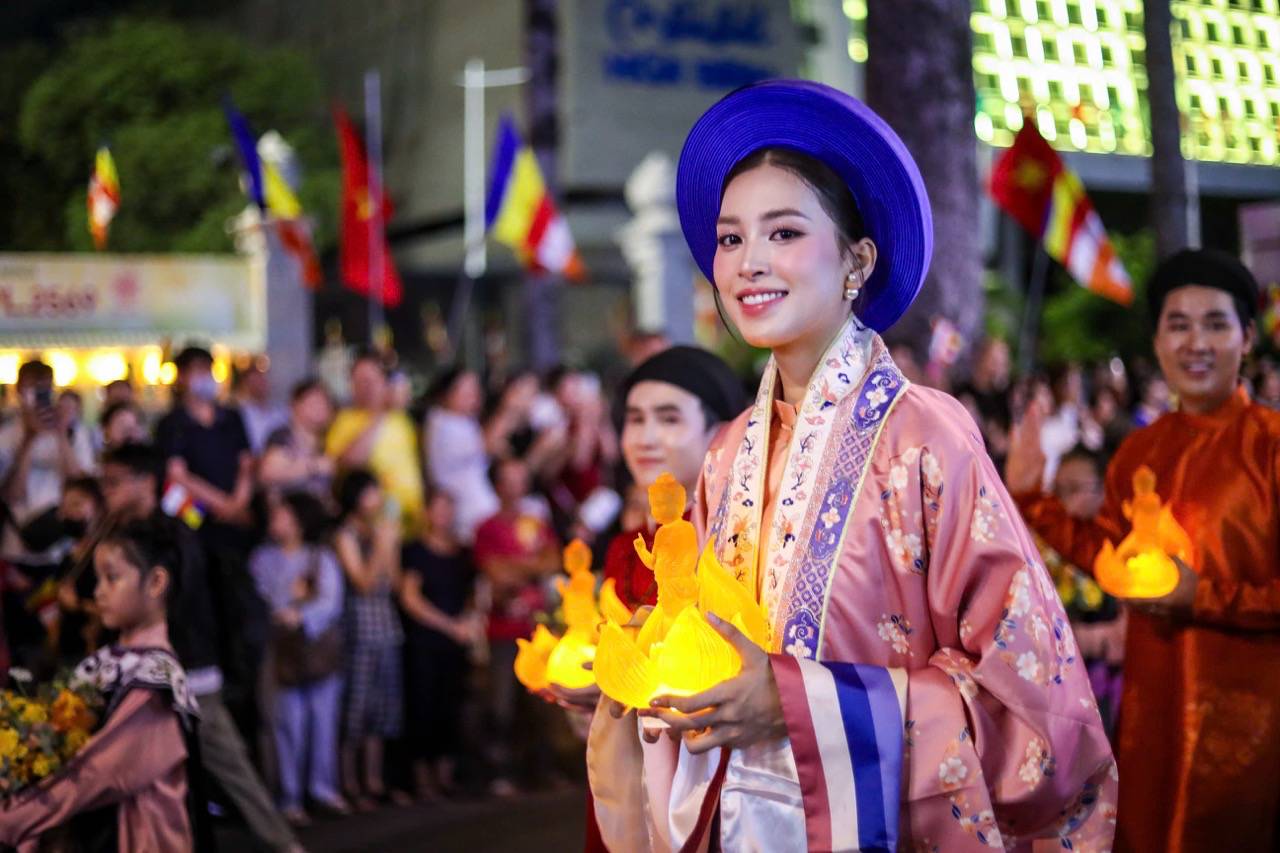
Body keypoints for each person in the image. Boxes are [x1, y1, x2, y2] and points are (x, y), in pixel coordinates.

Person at [587, 81, 1115, 851]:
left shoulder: (926, 438)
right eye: (731, 239)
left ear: (856, 260)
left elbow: (1034, 707)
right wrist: (630, 671)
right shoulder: (728, 451)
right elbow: (699, 637)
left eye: (784, 232)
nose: (749, 262)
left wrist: (797, 703)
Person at [1007, 247, 1280, 852]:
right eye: (1178, 325)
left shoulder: (1270, 446)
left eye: (1215, 324)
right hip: (1151, 713)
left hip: (1252, 724)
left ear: (1248, 339)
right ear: (1158, 342)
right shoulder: (1136, 452)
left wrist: (1199, 595)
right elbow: (1112, 558)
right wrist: (1032, 497)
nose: (1195, 343)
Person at [100, 443, 301, 853]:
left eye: (114, 482)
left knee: (225, 763)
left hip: (184, 666)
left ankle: (284, 843)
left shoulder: (173, 534)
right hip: (144, 666)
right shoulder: (117, 532)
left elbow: (181, 603)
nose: (107, 491)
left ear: (146, 482)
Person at [0, 519, 202, 851]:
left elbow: (98, 773)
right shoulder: (112, 658)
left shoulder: (154, 681)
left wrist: (15, 817)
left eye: (112, 578)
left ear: (155, 582)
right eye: (98, 578)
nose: (98, 591)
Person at [250, 491, 348, 825]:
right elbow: (258, 602)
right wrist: (288, 608)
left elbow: (331, 603)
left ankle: (322, 789)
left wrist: (300, 616)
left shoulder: (321, 557)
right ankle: (287, 796)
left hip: (315, 651)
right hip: (280, 651)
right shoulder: (261, 559)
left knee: (323, 721)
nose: (275, 519)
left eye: (282, 514)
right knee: (283, 724)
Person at [472, 456, 560, 795]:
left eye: (521, 478)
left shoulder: (536, 523)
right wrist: (532, 566)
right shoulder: (487, 528)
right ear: (497, 485)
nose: (517, 486)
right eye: (509, 479)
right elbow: (495, 572)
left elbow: (553, 560)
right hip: (502, 629)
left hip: (535, 626)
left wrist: (517, 567)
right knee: (501, 703)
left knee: (543, 702)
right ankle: (499, 774)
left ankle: (541, 772)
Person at [398, 489, 478, 799]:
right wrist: (448, 625)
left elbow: (473, 591)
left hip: (454, 641)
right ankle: (422, 777)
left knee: (451, 703)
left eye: (449, 507)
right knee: (423, 705)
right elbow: (409, 597)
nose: (444, 514)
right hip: (425, 640)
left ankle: (445, 775)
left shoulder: (461, 553)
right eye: (439, 507)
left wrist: (468, 621)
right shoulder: (416, 551)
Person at [333, 469, 406, 810]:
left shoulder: (380, 531)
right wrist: (382, 543)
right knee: (355, 708)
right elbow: (362, 582)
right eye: (371, 493)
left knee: (382, 707)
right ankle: (348, 782)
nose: (377, 500)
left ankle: (374, 780)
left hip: (386, 625)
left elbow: (390, 581)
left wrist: (389, 544)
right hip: (359, 627)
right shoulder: (345, 534)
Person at [0, 360, 95, 561]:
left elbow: (82, 485)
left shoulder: (74, 432)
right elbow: (11, 494)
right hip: (17, 544)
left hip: (64, 546)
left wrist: (61, 433)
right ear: (18, 390)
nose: (39, 397)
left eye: (44, 390)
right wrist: (29, 438)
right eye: (32, 390)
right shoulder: (7, 434)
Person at [326, 350, 424, 534]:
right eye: (361, 381)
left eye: (373, 379)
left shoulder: (401, 418)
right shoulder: (344, 420)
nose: (368, 386)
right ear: (351, 386)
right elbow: (348, 462)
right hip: (377, 527)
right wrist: (381, 414)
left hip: (414, 523)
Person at [425, 368, 499, 544]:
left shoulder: (466, 421)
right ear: (446, 394)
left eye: (475, 389)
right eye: (467, 390)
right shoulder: (441, 423)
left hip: (482, 515)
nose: (475, 395)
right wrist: (510, 409)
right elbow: (486, 445)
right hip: (464, 519)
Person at [259, 378, 337, 504]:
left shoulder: (325, 440)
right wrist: (314, 467)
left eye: (325, 402)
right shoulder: (283, 436)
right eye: (315, 402)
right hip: (289, 515)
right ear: (295, 405)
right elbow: (268, 473)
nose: (321, 408)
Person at [234, 357, 288, 455]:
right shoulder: (240, 413)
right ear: (245, 384)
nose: (259, 384)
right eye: (253, 381)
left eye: (261, 379)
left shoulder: (281, 411)